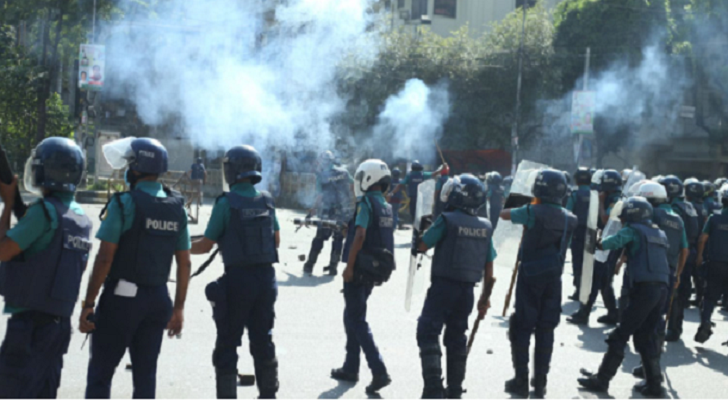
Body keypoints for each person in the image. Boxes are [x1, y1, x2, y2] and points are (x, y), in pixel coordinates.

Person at [79, 138, 191, 398]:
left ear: (137, 169)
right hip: (158, 300)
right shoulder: (177, 207)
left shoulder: (124, 203)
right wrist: (178, 308)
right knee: (145, 376)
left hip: (121, 300)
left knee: (101, 374)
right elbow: (184, 262)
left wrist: (88, 303)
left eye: (130, 164)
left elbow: (104, 258)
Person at [0, 138, 90, 398]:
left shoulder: (43, 212)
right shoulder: (80, 218)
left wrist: (8, 204)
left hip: (30, 326)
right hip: (58, 327)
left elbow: (3, 251)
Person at [191, 145, 280, 399]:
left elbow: (205, 245)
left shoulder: (226, 202)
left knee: (228, 343)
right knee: (263, 341)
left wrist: (180, 247)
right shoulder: (267, 200)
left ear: (232, 171)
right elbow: (276, 241)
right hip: (267, 281)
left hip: (239, 282)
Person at [578, 197, 670, 398]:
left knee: (620, 335)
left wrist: (595, 240)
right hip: (662, 289)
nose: (621, 221)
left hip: (644, 290)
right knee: (646, 336)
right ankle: (654, 385)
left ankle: (602, 380)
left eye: (623, 217)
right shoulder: (659, 233)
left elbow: (610, 243)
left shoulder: (633, 230)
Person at [415, 174, 496, 398]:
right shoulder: (485, 226)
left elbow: (423, 245)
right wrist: (485, 298)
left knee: (427, 332)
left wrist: (419, 233)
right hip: (467, 292)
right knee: (457, 337)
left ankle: (433, 389)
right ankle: (455, 390)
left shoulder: (447, 220)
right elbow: (489, 265)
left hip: (443, 287)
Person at [501, 169, 577, 398]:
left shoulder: (531, 211)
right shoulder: (570, 218)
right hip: (554, 278)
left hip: (530, 276)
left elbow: (504, 214)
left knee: (522, 327)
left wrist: (526, 203)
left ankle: (521, 380)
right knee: (546, 329)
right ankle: (540, 383)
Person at [331, 159, 393, 395]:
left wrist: (349, 267)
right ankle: (350, 367)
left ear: (368, 178)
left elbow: (361, 235)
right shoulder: (384, 205)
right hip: (374, 269)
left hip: (359, 269)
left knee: (356, 320)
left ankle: (379, 371)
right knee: (352, 316)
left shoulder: (365, 203)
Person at [630, 182, 688, 380]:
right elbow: (684, 249)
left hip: (649, 270)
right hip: (669, 272)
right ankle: (653, 362)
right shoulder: (678, 218)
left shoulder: (651, 214)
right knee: (660, 317)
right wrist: (678, 274)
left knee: (643, 319)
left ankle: (647, 366)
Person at [568, 169, 622, 325]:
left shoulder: (615, 200)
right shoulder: (612, 197)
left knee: (595, 279)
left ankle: (584, 313)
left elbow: (605, 219)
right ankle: (612, 313)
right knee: (604, 281)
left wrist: (600, 202)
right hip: (606, 243)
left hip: (608, 246)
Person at [659, 175, 700, 342]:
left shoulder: (674, 208)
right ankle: (676, 328)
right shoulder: (687, 205)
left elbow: (673, 234)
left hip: (679, 253)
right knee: (681, 292)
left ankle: (672, 329)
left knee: (674, 293)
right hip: (690, 251)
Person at [303, 151, 353, 276]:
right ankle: (333, 267)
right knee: (338, 239)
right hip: (342, 211)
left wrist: (312, 210)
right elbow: (352, 187)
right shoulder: (344, 172)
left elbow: (320, 196)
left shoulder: (321, 175)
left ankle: (309, 265)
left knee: (319, 238)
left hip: (327, 211)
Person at [694, 184, 728, 344]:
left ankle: (706, 322)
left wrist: (699, 256)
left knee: (709, 297)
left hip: (715, 263)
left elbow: (703, 238)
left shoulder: (714, 218)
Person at [565, 167, 592, 301]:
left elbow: (568, 214)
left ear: (576, 180)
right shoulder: (595, 195)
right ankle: (589, 290)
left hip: (578, 232)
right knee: (589, 262)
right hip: (592, 232)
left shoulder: (575, 195)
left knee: (578, 261)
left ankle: (579, 290)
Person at [684, 178, 709, 307]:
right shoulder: (704, 206)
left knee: (687, 273)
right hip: (702, 245)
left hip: (691, 243)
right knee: (698, 274)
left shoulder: (689, 206)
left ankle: (685, 298)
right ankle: (699, 298)